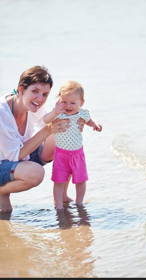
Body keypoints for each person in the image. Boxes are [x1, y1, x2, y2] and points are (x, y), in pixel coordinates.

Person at [0, 65, 70, 213]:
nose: (40, 99)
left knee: (61, 136)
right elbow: (14, 155)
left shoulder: (32, 106)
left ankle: (62, 194)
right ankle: (1, 191)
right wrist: (47, 130)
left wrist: (63, 115)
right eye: (35, 91)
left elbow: (44, 121)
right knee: (35, 173)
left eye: (45, 94)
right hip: (5, 161)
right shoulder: (2, 113)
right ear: (21, 89)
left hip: (17, 157)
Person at [43, 80, 102, 210]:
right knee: (59, 180)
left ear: (81, 103)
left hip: (77, 154)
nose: (68, 106)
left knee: (80, 180)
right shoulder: (58, 114)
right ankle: (58, 205)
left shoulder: (83, 113)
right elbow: (45, 120)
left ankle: (79, 202)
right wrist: (54, 111)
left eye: (73, 103)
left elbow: (90, 121)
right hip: (61, 154)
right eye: (64, 102)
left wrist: (96, 126)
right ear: (59, 101)